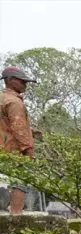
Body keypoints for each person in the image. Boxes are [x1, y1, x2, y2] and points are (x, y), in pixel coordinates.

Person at [1, 66, 38, 215]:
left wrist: (32, 131)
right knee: (22, 178)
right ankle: (16, 214)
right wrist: (29, 151)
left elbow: (6, 124)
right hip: (12, 150)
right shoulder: (14, 102)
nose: (25, 84)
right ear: (9, 80)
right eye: (22, 81)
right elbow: (18, 128)